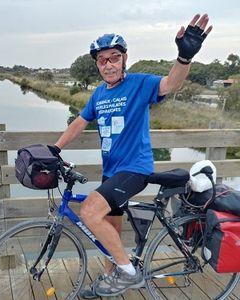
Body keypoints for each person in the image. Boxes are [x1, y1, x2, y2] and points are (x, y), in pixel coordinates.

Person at [48, 14, 212, 298]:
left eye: (114, 57)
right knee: (108, 227)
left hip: (134, 169)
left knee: (88, 211)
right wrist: (55, 149)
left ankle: (129, 273)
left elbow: (170, 84)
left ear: (124, 59)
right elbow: (79, 122)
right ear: (97, 65)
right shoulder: (99, 94)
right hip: (112, 171)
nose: (108, 64)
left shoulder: (139, 83)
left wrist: (184, 57)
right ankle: (112, 279)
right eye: (102, 60)